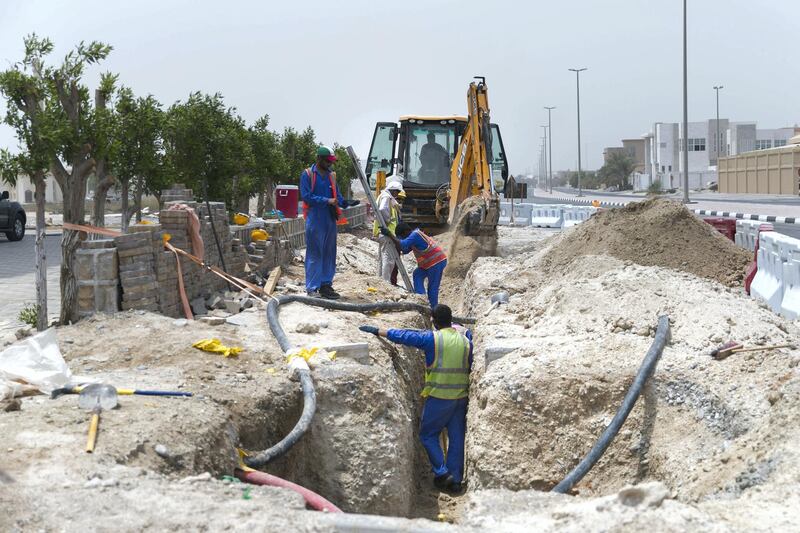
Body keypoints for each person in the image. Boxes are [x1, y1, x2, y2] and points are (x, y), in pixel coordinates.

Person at [358, 304, 472, 494]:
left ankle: (442, 473)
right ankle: (456, 480)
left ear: (433, 322)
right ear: (451, 320)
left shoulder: (432, 339)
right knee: (457, 438)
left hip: (439, 397)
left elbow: (405, 337)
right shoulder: (466, 340)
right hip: (461, 398)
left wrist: (379, 330)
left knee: (428, 435)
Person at [300, 145, 358, 299]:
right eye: (327, 161)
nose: (330, 164)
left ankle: (326, 285)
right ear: (319, 159)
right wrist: (327, 200)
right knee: (314, 253)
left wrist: (345, 202)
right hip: (315, 218)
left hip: (330, 219)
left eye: (331, 162)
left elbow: (336, 196)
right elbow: (306, 196)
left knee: (329, 253)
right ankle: (312, 288)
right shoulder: (307, 174)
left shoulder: (331, 176)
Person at [380, 222, 446, 308]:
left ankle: (433, 309)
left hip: (437, 262)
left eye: (402, 237)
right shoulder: (413, 237)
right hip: (430, 264)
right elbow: (405, 249)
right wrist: (393, 241)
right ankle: (421, 298)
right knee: (417, 274)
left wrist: (389, 234)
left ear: (406, 232)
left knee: (432, 288)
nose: (402, 239)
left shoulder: (415, 235)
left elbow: (403, 244)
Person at [373, 182, 403, 282]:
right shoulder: (386, 197)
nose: (397, 194)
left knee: (383, 258)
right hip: (387, 233)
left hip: (382, 232)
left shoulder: (383, 196)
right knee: (389, 259)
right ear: (393, 190)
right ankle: (386, 282)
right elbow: (382, 209)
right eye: (397, 192)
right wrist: (387, 220)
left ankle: (381, 281)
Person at [390, 190, 406, 286]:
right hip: (393, 237)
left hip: (397, 238)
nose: (400, 202)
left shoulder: (398, 211)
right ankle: (391, 282)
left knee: (396, 263)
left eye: (402, 200)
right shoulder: (393, 209)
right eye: (399, 199)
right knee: (393, 262)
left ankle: (393, 281)